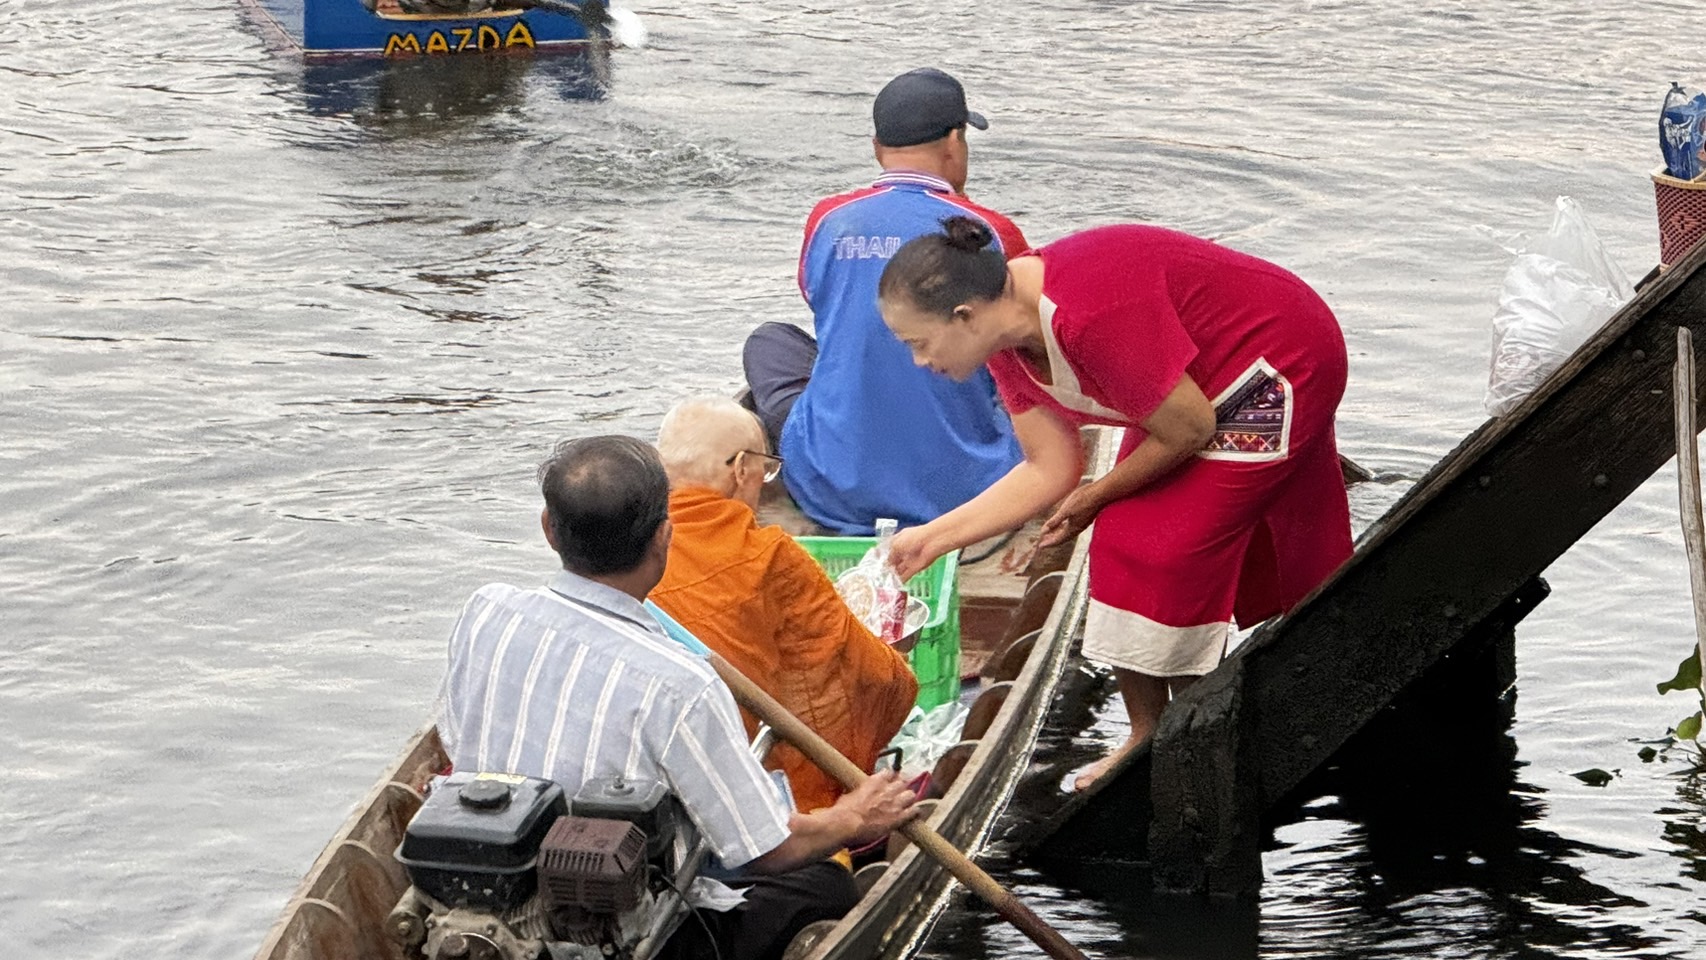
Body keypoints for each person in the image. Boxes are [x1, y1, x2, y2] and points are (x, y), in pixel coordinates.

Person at [876, 218, 1354, 790]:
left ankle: (1195, 729)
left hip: (1275, 360)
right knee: (1128, 531)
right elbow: (1047, 468)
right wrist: (931, 539)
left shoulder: (1086, 315)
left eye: (918, 344)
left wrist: (1097, 496)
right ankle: (1163, 728)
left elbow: (1188, 428)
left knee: (1150, 541)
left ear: (964, 316)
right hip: (1192, 388)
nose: (919, 363)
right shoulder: (1006, 345)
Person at [436, 435, 920, 960]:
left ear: (549, 530)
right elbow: (766, 850)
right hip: (620, 937)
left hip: (478, 882)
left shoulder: (486, 610)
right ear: (665, 537)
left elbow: (456, 740)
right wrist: (854, 817)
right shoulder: (681, 683)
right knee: (822, 884)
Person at [742, 67, 1028, 535]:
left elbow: (825, 306)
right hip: (964, 491)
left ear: (877, 147)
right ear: (955, 143)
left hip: (829, 485)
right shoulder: (990, 230)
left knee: (770, 342)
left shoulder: (828, 220)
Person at [650, 397, 920, 815]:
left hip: (661, 771)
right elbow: (866, 677)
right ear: (741, 469)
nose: (763, 480)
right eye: (765, 468)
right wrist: (897, 671)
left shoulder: (634, 548)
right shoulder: (770, 556)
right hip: (753, 786)